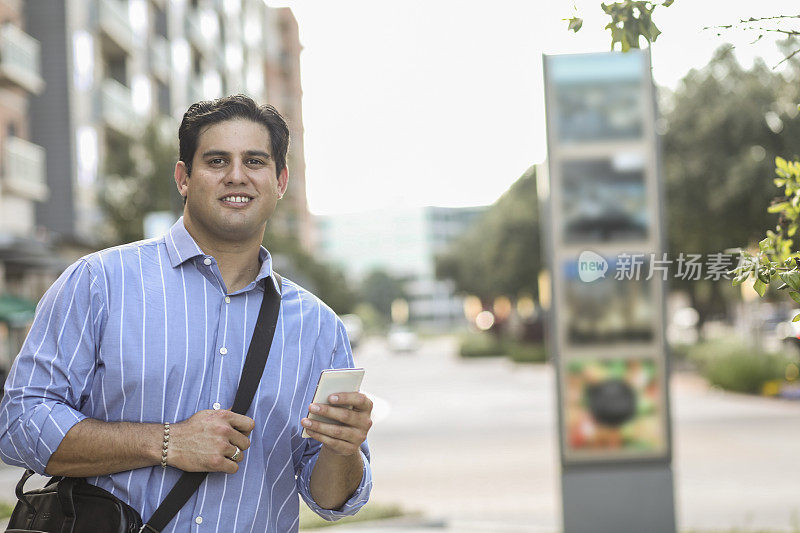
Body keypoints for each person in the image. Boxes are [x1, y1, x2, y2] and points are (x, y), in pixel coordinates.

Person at [0, 94, 373, 531]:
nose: (237, 176)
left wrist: (344, 449)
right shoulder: (99, 282)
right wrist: (166, 441)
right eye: (217, 161)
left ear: (281, 180)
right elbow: (19, 423)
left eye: (255, 161)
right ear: (183, 177)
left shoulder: (319, 328)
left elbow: (332, 500)